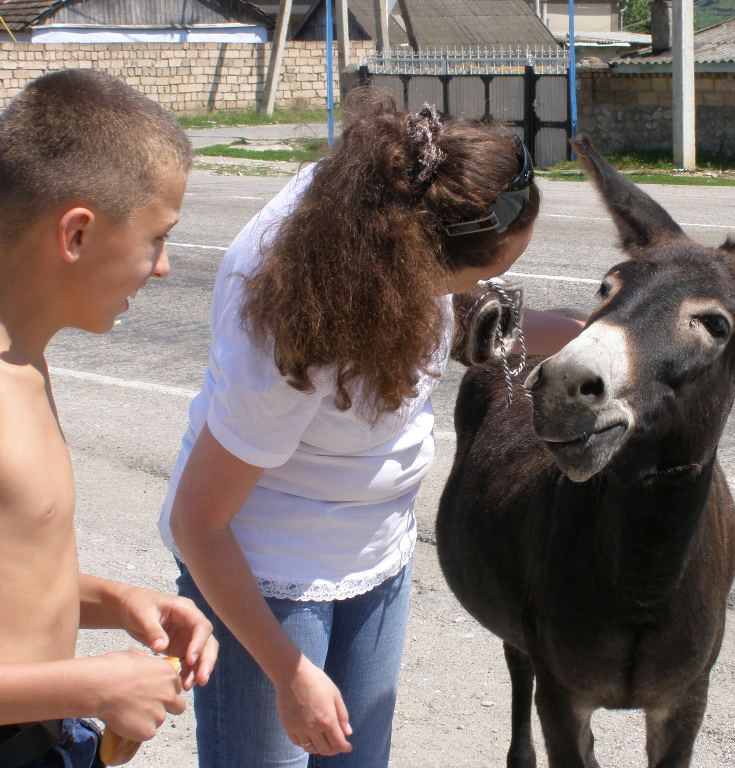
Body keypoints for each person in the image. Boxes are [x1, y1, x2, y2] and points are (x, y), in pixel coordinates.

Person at [160, 92, 583, 768]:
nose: (488, 287)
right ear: (417, 263)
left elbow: (461, 313)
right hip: (266, 574)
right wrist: (288, 672)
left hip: (375, 552)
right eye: (488, 272)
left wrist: (593, 336)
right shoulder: (288, 332)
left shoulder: (391, 202)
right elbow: (198, 523)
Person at [0, 69, 219, 767]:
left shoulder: (24, 359)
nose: (163, 268)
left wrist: (114, 599)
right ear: (77, 234)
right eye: (157, 238)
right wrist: (91, 683)